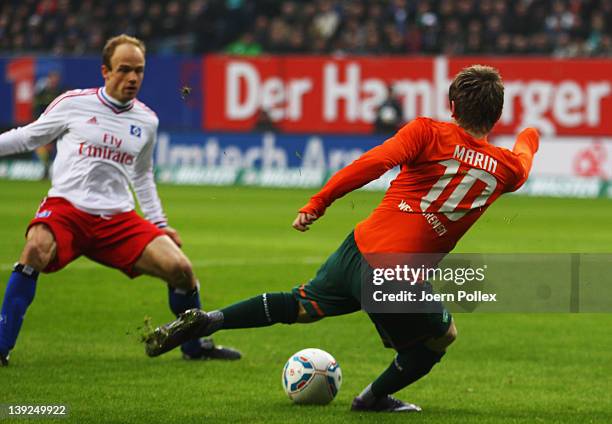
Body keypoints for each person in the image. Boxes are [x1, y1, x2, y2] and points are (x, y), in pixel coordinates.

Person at [143, 65, 539, 412]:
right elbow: (525, 151)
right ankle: (372, 398)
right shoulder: (507, 171)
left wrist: (319, 202)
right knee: (439, 338)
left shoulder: (426, 131)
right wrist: (530, 134)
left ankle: (211, 319)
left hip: (358, 248)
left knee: (301, 303)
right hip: (395, 275)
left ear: (452, 106)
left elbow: (372, 164)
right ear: (497, 113)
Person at [0, 34, 240, 367]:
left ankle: (195, 346)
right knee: (34, 250)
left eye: (139, 71)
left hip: (118, 219)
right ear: (105, 71)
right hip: (67, 210)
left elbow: (142, 176)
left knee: (181, 269)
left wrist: (160, 225)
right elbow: (28, 137)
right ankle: (1, 347)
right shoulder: (73, 103)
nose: (132, 78)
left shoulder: (146, 121)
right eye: (124, 69)